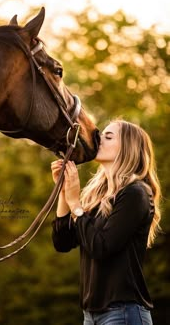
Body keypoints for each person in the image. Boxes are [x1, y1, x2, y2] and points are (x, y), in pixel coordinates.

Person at [51, 119, 161, 325]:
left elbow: (101, 247)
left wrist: (76, 203)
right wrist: (64, 191)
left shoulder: (135, 193)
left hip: (123, 313)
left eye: (108, 136)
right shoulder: (98, 196)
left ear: (128, 148)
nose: (99, 139)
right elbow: (62, 242)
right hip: (91, 315)